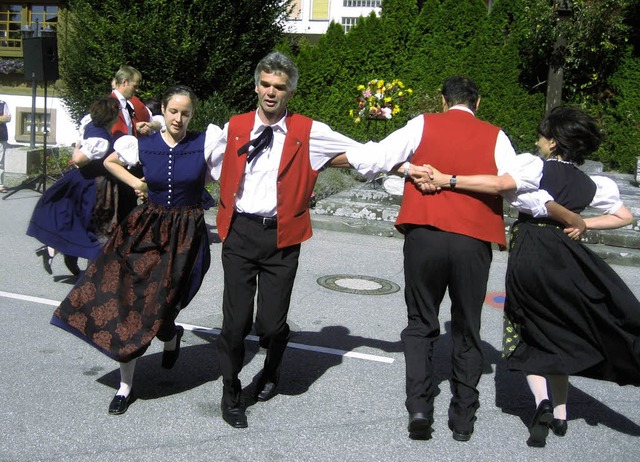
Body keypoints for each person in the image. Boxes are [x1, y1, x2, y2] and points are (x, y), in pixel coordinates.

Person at [331, 76, 547, 442]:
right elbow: (514, 183)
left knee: (420, 322)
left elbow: (377, 157)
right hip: (472, 238)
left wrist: (334, 157)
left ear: (443, 101)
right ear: (477, 104)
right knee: (467, 326)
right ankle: (463, 417)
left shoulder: (421, 124)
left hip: (425, 234)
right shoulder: (495, 135)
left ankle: (419, 406)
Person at [421, 106, 639, 447]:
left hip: (530, 250)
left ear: (553, 143)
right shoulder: (592, 184)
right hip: (566, 256)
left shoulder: (532, 167)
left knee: (526, 324)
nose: (537, 141)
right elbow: (624, 216)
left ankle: (542, 402)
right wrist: (580, 223)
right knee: (558, 328)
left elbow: (508, 189)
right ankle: (562, 415)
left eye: (542, 136)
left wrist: (447, 179)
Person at [208, 51, 364, 429]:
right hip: (241, 232)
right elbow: (208, 162)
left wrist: (406, 164)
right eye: (265, 84)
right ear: (256, 85)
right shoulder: (235, 126)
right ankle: (231, 391)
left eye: (279, 87)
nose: (271, 92)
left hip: (282, 237)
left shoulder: (308, 130)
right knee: (234, 324)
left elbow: (359, 151)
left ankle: (272, 368)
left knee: (272, 326)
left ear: (290, 91)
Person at [51, 85, 221, 415]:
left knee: (166, 308)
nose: (178, 118)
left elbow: (223, 175)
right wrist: (138, 184)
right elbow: (112, 161)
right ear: (165, 112)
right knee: (131, 304)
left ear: (192, 114)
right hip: (147, 229)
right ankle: (125, 386)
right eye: (173, 111)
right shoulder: (143, 144)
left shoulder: (206, 142)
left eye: (185, 112)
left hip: (187, 235)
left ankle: (170, 335)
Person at [27, 97, 120, 276]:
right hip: (92, 184)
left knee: (76, 222)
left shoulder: (90, 125)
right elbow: (79, 159)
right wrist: (78, 149)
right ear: (112, 116)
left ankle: (63, 253)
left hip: (81, 181)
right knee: (94, 227)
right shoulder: (101, 138)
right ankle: (92, 274)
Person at [0, 98, 11, 193]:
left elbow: (7, 118)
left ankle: (0, 185)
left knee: (0, 162)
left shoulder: (2, 103)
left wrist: (3, 118)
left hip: (1, 137)